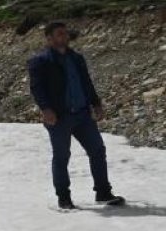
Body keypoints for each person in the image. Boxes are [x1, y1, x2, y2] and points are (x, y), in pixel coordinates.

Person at [27, 22, 124, 209]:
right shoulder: (40, 61)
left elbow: (86, 82)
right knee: (62, 156)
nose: (65, 36)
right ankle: (64, 197)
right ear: (49, 38)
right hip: (59, 117)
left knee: (97, 150)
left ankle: (103, 192)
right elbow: (37, 88)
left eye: (65, 33)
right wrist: (46, 109)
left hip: (82, 114)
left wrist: (96, 103)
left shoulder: (77, 58)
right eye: (59, 34)